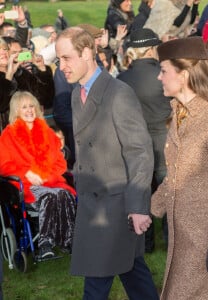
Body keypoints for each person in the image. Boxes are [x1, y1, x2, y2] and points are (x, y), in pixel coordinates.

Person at [55, 27, 159, 300]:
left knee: (97, 284)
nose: (61, 67)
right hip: (92, 203)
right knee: (133, 273)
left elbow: (140, 151)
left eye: (66, 58)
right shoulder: (77, 94)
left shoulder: (118, 93)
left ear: (88, 53)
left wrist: (138, 206)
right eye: (59, 60)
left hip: (116, 205)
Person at [151, 36, 208, 299]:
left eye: (163, 71)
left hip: (206, 241)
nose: (158, 77)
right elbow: (177, 172)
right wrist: (152, 208)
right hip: (184, 238)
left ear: (184, 75)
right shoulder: (180, 112)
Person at [0, 91, 77, 259]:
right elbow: (4, 165)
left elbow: (60, 163)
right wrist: (27, 173)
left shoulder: (47, 132)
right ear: (16, 111)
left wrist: (46, 176)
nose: (29, 110)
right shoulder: (8, 135)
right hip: (25, 185)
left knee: (65, 194)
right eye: (24, 107)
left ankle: (68, 241)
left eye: (32, 106)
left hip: (51, 181)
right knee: (49, 196)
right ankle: (45, 245)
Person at [117, 28, 172, 251]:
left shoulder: (121, 79)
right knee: (168, 190)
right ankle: (171, 239)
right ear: (151, 49)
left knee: (141, 190)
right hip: (163, 140)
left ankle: (145, 242)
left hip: (134, 144)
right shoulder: (164, 73)